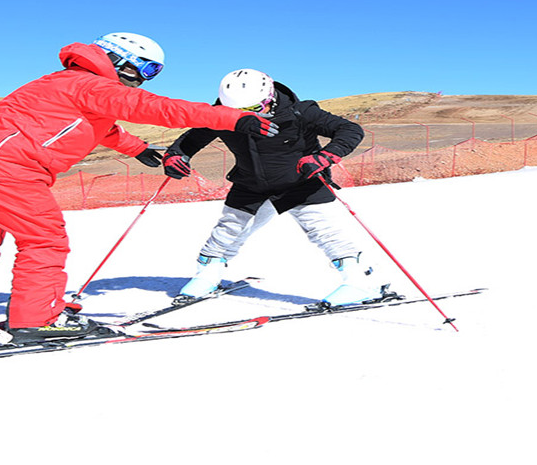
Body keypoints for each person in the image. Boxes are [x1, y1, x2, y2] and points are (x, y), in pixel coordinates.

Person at [0, 33, 278, 343]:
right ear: (124, 61)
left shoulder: (60, 81)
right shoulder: (93, 84)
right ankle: (36, 320)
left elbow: (99, 126)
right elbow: (159, 109)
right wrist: (234, 118)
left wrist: (137, 149)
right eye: (148, 69)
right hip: (7, 170)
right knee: (44, 241)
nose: (146, 80)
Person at [162, 68, 387, 307]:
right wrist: (176, 155)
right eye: (235, 113)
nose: (247, 118)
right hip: (251, 182)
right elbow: (191, 139)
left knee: (323, 230)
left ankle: (359, 282)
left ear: (269, 96)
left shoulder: (301, 112)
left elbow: (350, 130)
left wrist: (325, 156)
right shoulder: (219, 116)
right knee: (228, 230)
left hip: (301, 181)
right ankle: (207, 276)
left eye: (254, 110)